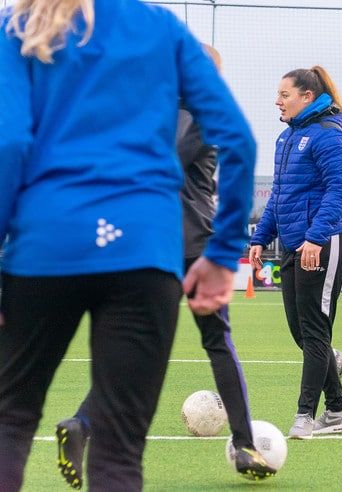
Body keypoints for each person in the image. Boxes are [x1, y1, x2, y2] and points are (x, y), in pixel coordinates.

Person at [0, 1, 258, 490]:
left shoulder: (18, 24)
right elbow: (239, 140)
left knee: (9, 423)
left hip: (46, 246)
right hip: (145, 250)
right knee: (119, 453)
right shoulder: (162, 28)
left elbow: (9, 143)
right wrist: (224, 255)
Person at [53, 46, 275, 489]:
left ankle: (81, 424)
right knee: (218, 343)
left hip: (144, 246)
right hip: (189, 247)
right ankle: (246, 442)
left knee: (134, 352)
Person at [248, 66, 342, 440]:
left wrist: (315, 237)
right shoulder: (286, 138)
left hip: (326, 242)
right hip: (298, 243)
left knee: (314, 330)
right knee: (302, 331)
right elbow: (279, 198)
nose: (277, 100)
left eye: (284, 94)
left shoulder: (329, 136)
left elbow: (341, 188)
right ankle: (338, 409)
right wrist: (260, 238)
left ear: (306, 96)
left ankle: (304, 416)